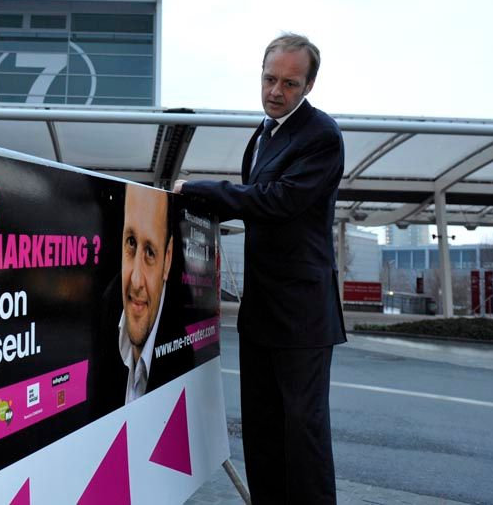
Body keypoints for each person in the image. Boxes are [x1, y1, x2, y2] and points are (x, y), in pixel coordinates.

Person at [175, 33, 346, 504]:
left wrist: (201, 190)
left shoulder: (322, 135)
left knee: (303, 435)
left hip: (302, 316)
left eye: (290, 83)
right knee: (262, 429)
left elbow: (278, 201)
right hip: (262, 309)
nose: (275, 91)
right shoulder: (262, 134)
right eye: (270, 78)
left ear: (309, 85)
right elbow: (254, 203)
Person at [87, 183, 192, 416]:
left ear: (167, 259)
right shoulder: (106, 315)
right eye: (131, 243)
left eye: (150, 252)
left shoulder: (180, 349)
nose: (135, 281)